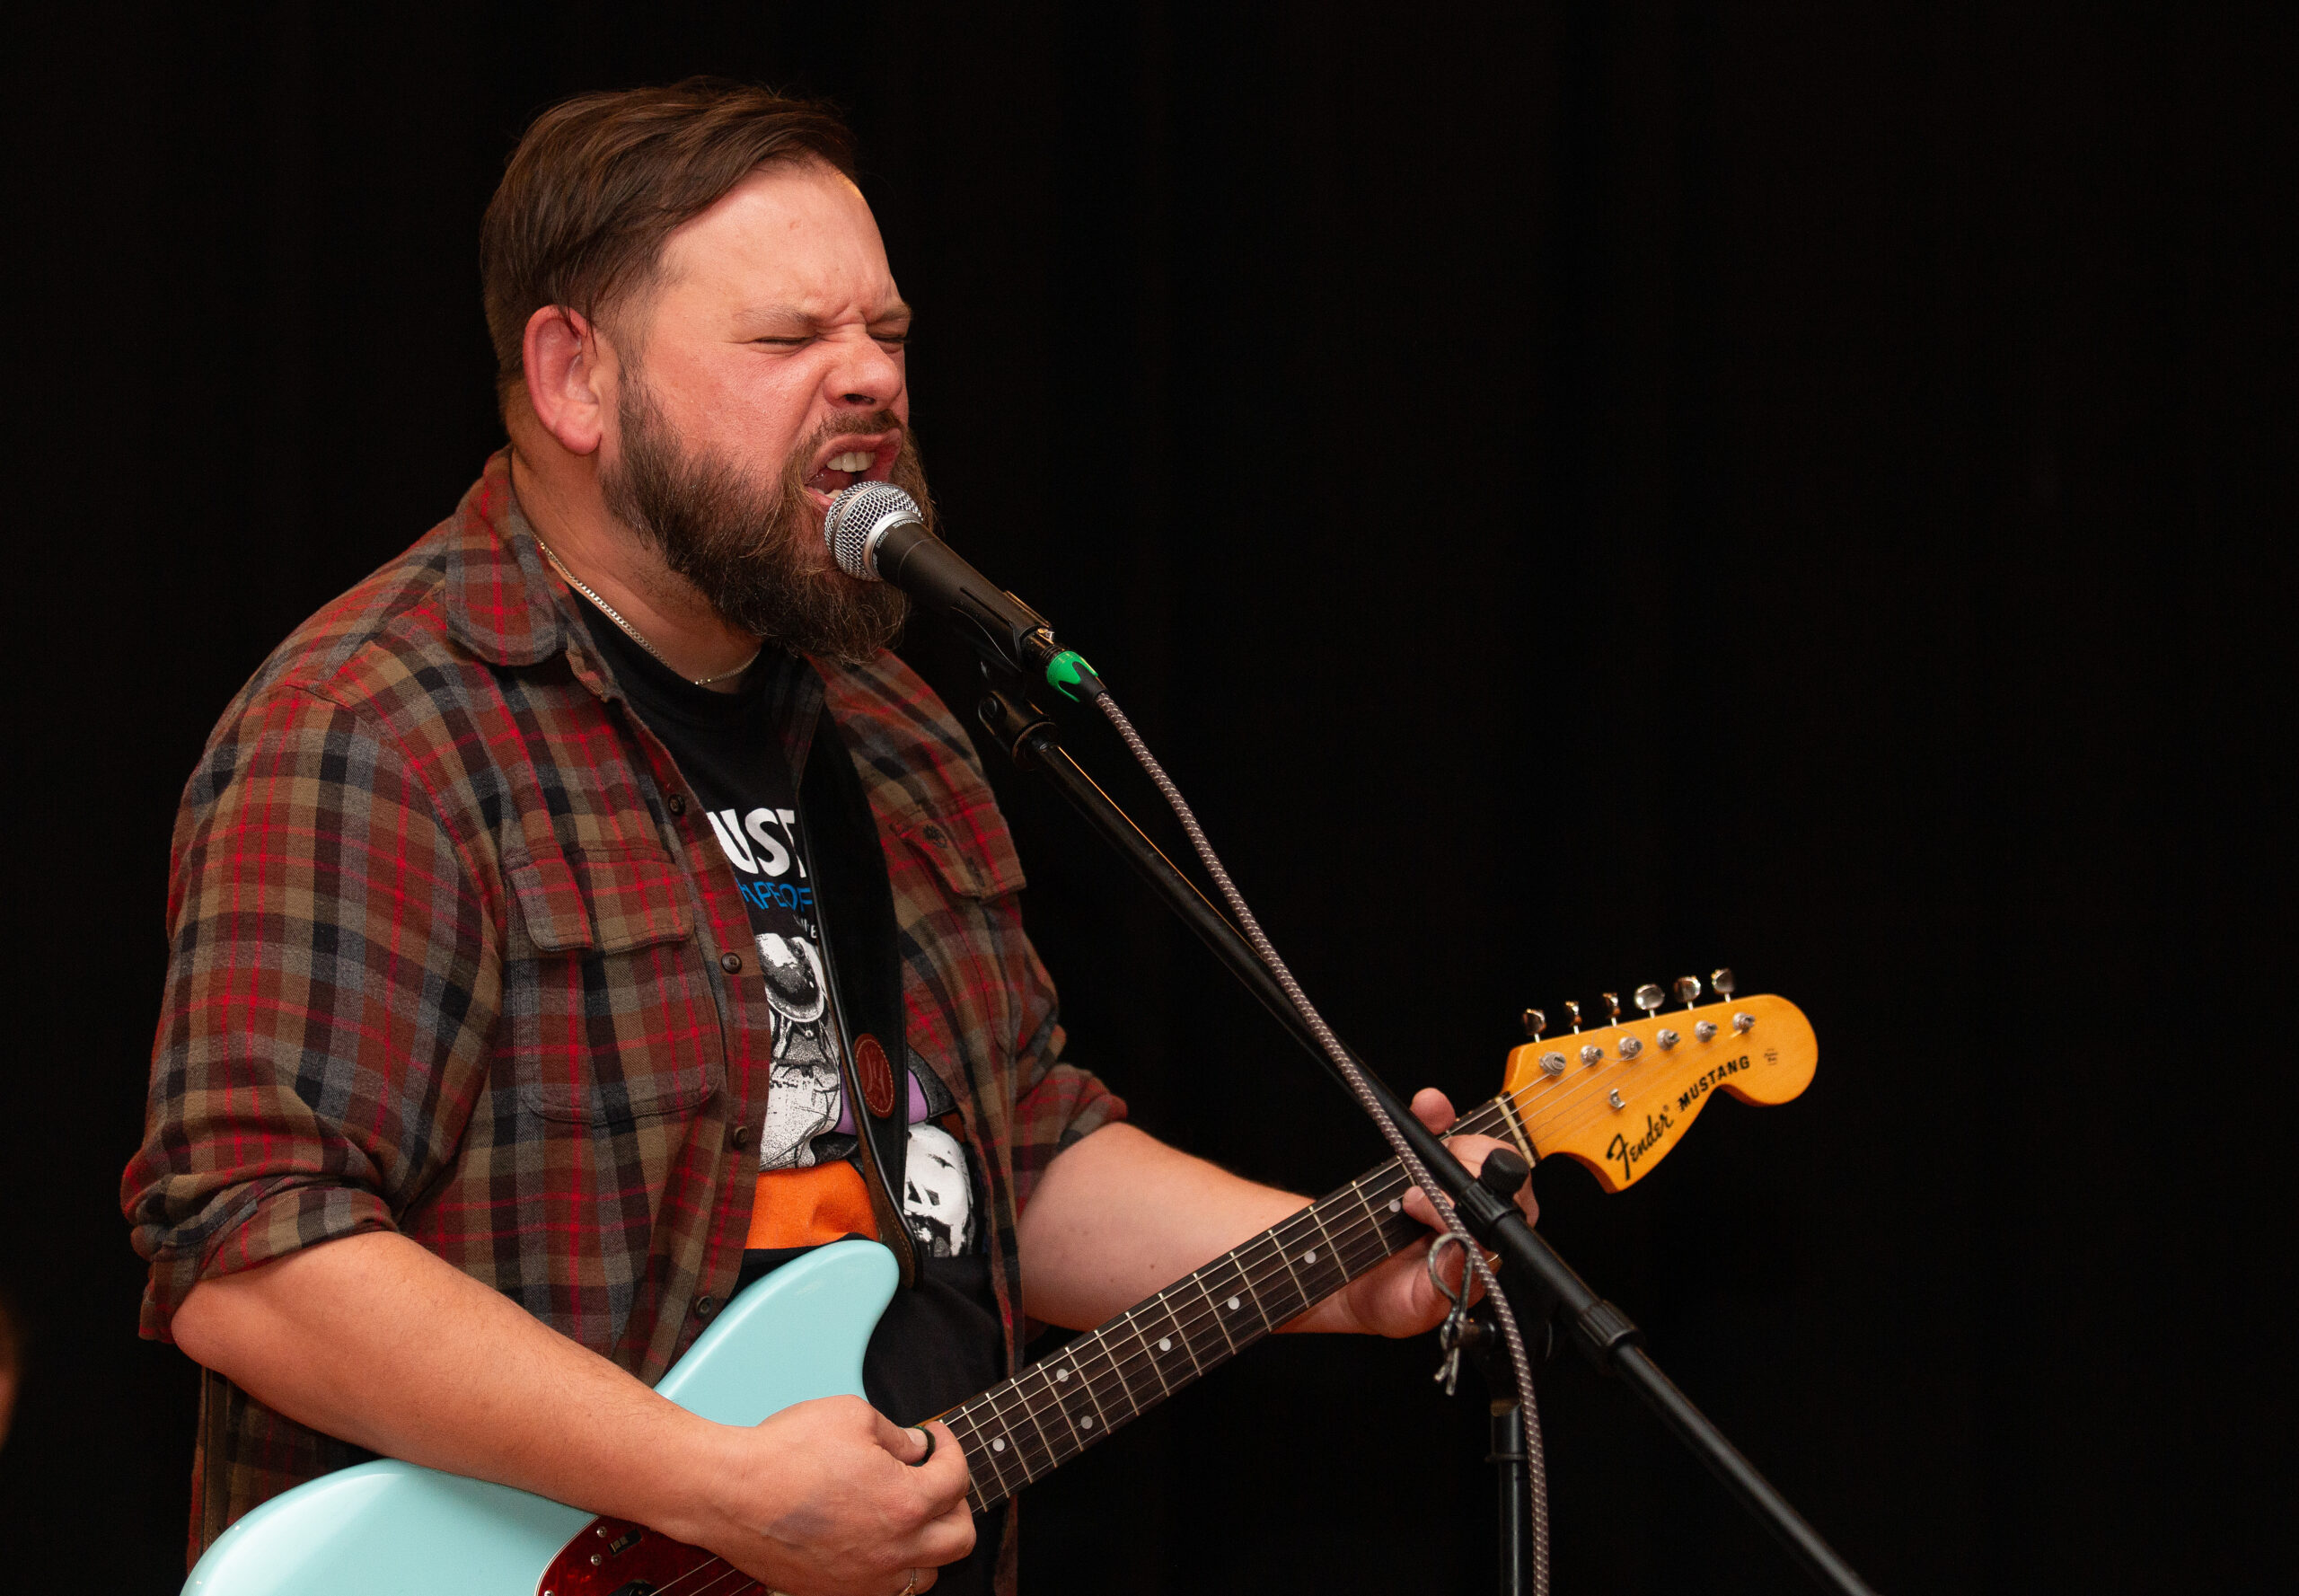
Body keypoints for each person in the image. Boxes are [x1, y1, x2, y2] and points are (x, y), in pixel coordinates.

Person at [120, 80, 1535, 1596]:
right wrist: (718, 1487)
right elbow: (251, 1255)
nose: (870, 382)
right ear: (573, 379)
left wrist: (1344, 1265)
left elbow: (1010, 1157)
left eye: (889, 335)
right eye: (792, 341)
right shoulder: (378, 725)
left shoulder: (895, 728)